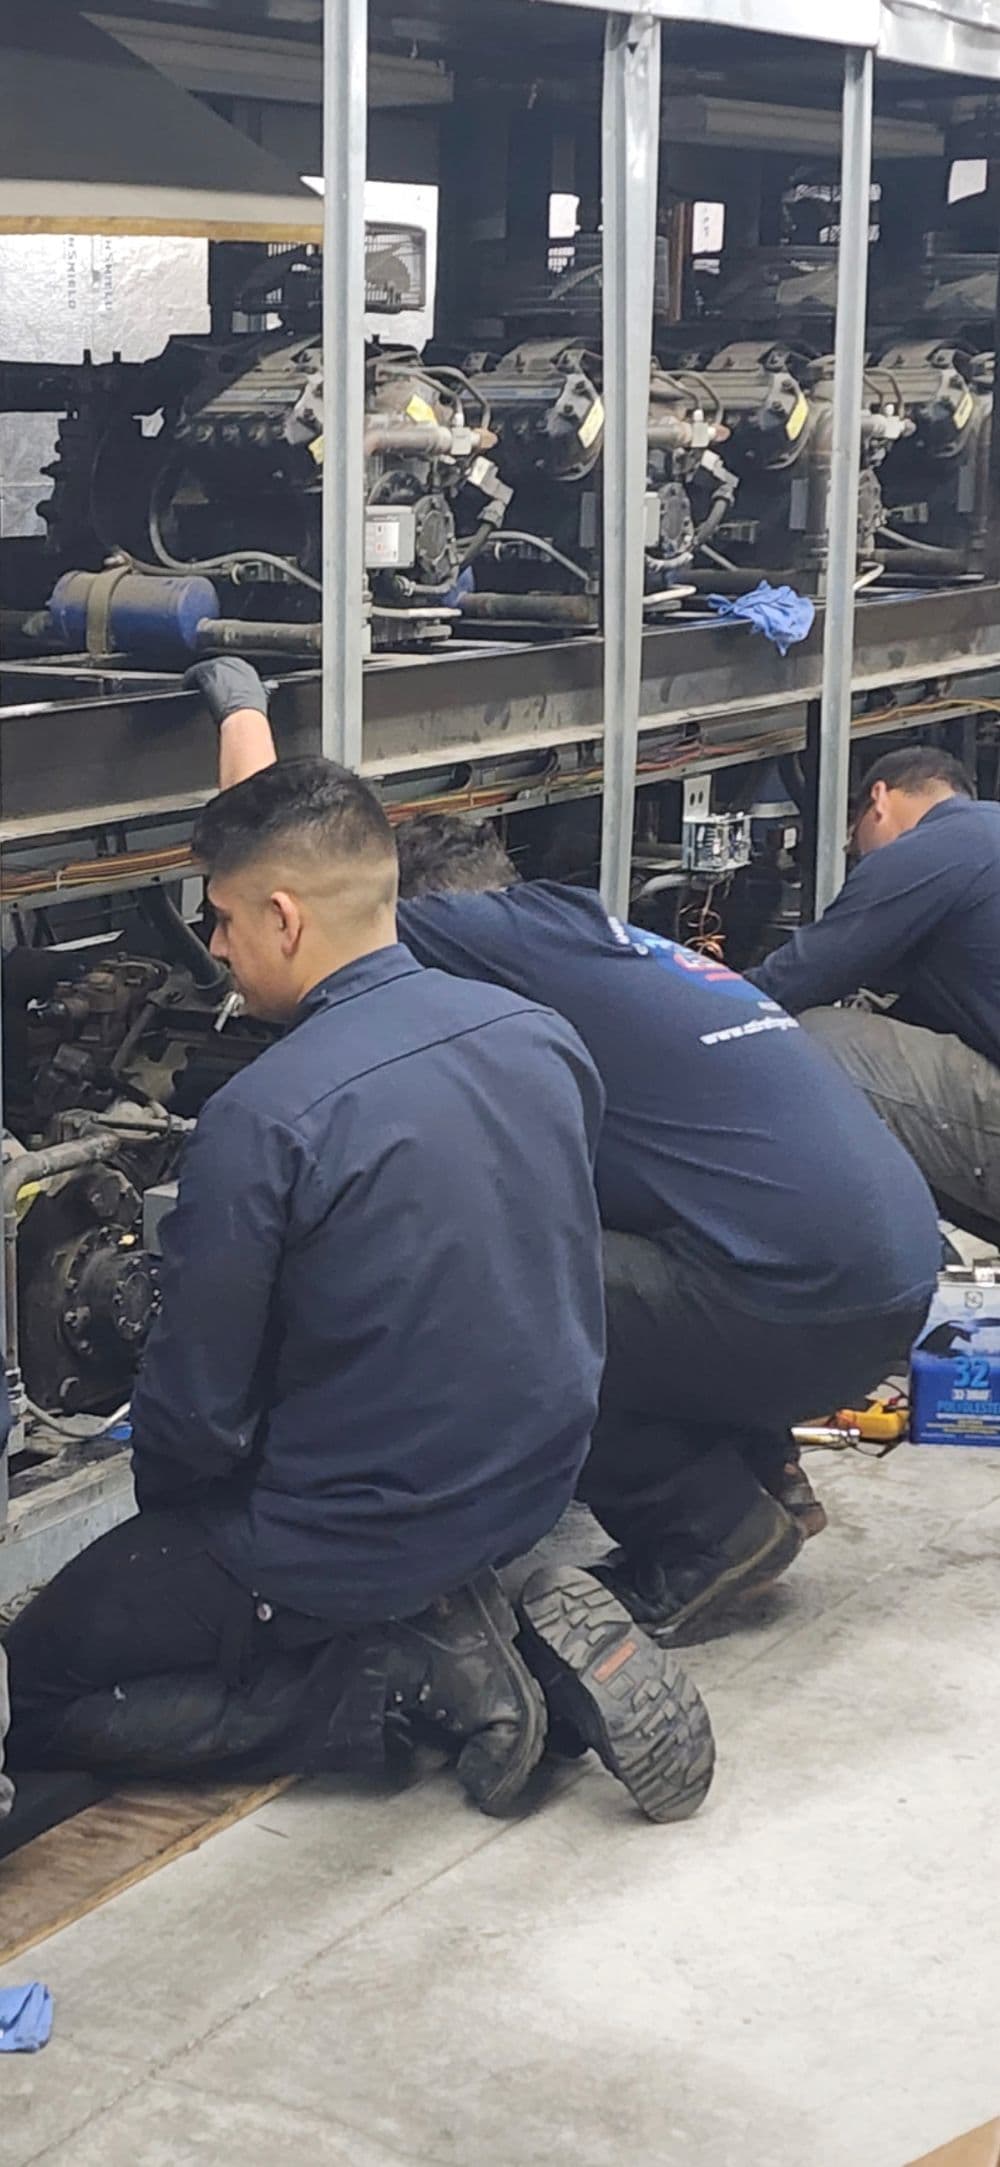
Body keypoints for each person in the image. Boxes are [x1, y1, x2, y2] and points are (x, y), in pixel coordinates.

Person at [5, 756, 715, 1825]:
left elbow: (194, 1418)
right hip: (535, 1481)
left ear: (284, 916)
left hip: (351, 1532)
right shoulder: (537, 1034)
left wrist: (195, 1552)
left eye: (224, 919)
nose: (216, 947)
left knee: (39, 1682)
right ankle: (483, 1603)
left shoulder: (266, 1114)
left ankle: (395, 1686)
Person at [189, 660, 940, 1643]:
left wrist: (241, 709)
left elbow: (278, 868)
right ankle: (764, 1477)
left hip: (800, 1302)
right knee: (601, 1222)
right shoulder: (587, 936)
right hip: (880, 1281)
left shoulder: (453, 937)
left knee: (478, 1283)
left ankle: (706, 1527)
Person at [750, 747, 1000, 1236]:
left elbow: (799, 978)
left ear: (878, 800)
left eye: (854, 842)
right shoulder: (986, 834)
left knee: (811, 1037)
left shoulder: (931, 847)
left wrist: (693, 1012)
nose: (859, 856)